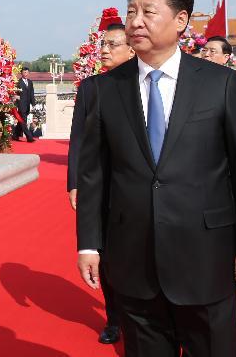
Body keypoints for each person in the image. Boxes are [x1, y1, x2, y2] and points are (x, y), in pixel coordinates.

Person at [76, 0, 236, 357]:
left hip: (207, 257)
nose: (135, 22)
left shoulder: (223, 85)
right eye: (132, 11)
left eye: (149, 11)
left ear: (181, 21)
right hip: (132, 259)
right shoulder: (103, 90)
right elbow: (94, 174)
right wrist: (88, 244)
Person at [67, 22, 134, 345]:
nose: (104, 51)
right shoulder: (92, 88)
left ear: (132, 49)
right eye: (103, 45)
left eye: (112, 45)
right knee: (105, 256)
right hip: (103, 187)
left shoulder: (148, 84)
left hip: (138, 186)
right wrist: (74, 182)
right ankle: (114, 319)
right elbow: (78, 139)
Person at [13, 67, 37, 142]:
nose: (25, 74)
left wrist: (33, 103)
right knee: (23, 121)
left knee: (21, 121)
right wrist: (16, 103)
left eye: (27, 72)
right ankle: (29, 137)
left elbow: (31, 93)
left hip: (27, 105)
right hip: (20, 105)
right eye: (24, 72)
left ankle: (15, 135)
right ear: (21, 73)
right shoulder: (18, 82)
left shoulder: (30, 82)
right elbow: (15, 93)